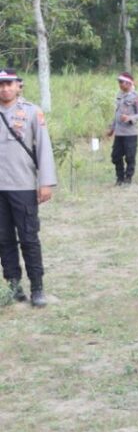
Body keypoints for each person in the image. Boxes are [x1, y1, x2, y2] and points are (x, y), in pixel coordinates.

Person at [0, 69, 56, 308]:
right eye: (1, 85)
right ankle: (14, 286)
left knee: (29, 238)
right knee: (3, 240)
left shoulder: (32, 112)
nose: (4, 89)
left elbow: (44, 147)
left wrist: (45, 182)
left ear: (18, 86)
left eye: (8, 84)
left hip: (22, 186)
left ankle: (37, 288)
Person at [104, 72, 138, 186]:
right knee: (115, 156)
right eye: (119, 82)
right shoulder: (119, 95)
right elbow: (117, 114)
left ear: (129, 83)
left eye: (121, 82)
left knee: (130, 156)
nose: (119, 84)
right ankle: (119, 178)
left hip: (130, 133)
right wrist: (112, 128)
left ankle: (128, 178)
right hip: (119, 133)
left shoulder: (136, 97)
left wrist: (130, 118)